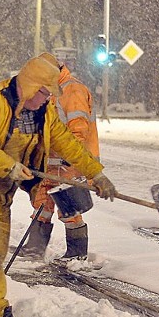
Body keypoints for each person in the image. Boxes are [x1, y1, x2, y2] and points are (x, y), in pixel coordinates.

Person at [0, 54, 117, 317]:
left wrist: (96, 173)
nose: (47, 100)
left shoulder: (42, 113)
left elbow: (68, 143)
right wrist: (9, 166)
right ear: (31, 86)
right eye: (44, 93)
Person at [21, 53, 100, 264]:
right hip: (51, 162)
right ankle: (34, 249)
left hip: (71, 163)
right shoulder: (51, 90)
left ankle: (76, 253)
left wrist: (70, 156)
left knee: (69, 206)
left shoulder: (73, 90)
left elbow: (79, 128)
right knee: (42, 203)